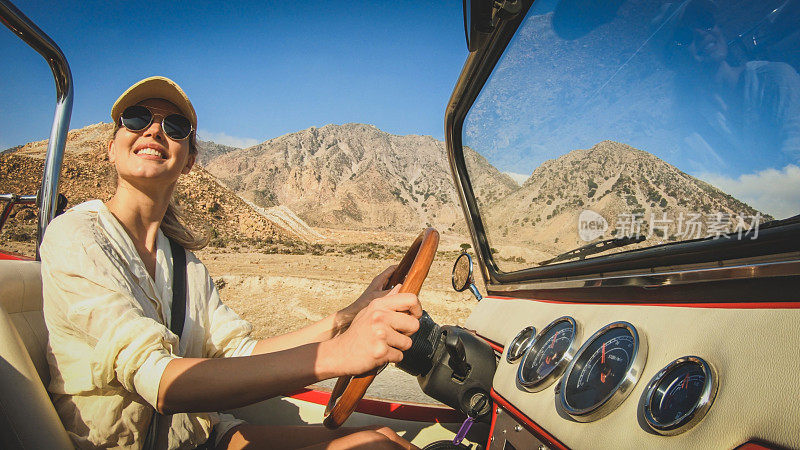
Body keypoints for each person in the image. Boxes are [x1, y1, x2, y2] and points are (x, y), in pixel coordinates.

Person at [41, 76, 422, 449]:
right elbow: (161, 383)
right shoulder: (77, 236)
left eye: (174, 126)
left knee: (382, 437)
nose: (154, 132)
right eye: (138, 119)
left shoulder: (183, 264)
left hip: (204, 436)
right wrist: (340, 354)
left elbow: (239, 352)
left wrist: (346, 317)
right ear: (111, 146)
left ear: (190, 160)